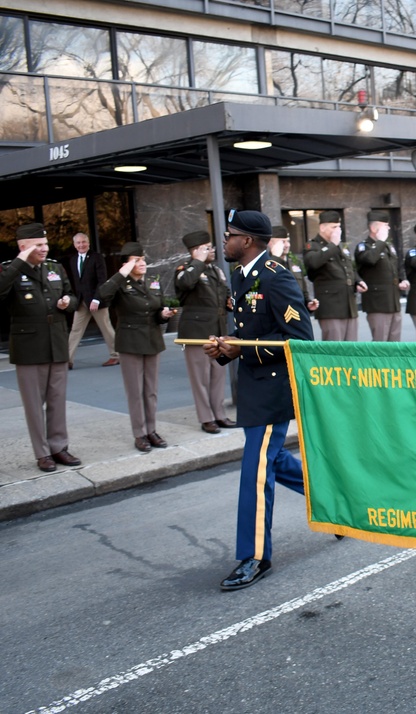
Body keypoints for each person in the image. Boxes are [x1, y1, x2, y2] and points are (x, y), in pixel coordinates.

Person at [203, 209, 314, 591]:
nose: (224, 239)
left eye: (229, 234)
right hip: (251, 386)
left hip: (273, 390)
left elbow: (300, 340)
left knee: (255, 471)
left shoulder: (276, 277)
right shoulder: (240, 276)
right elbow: (248, 331)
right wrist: (223, 347)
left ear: (247, 240)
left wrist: (242, 352)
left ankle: (254, 557)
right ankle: (333, 494)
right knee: (275, 460)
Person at [0, 223, 80, 472]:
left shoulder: (55, 268)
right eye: (38, 245)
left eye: (45, 244)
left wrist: (69, 302)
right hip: (29, 346)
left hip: (56, 342)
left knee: (57, 399)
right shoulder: (8, 270)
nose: (44, 249)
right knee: (34, 404)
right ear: (23, 247)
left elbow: (73, 296)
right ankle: (42, 453)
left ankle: (59, 447)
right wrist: (19, 262)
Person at [99, 241, 176, 452]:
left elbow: (157, 311)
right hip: (130, 342)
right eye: (136, 260)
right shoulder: (119, 285)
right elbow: (102, 296)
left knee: (151, 390)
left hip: (152, 340)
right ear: (125, 265)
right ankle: (139, 433)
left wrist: (164, 314)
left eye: (143, 259)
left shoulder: (153, 281)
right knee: (135, 391)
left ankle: (151, 430)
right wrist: (121, 274)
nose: (142, 263)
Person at [173, 230, 236, 434]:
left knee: (217, 374)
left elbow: (225, 294)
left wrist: (230, 302)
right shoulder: (185, 269)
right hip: (195, 333)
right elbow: (185, 284)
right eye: (207, 248)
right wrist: (197, 261)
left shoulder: (215, 271)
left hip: (217, 330)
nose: (212, 250)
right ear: (196, 250)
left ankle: (219, 414)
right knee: (200, 378)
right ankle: (206, 417)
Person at [304, 211, 366, 341]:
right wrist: (332, 245)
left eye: (339, 227)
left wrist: (358, 282)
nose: (338, 230)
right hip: (331, 307)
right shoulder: (313, 245)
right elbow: (313, 262)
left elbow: (348, 268)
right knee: (334, 348)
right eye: (334, 227)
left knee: (351, 348)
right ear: (322, 227)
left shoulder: (340, 245)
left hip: (348, 304)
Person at [65, 232, 118, 369]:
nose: (81, 245)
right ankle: (67, 360)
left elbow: (102, 280)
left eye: (84, 242)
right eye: (78, 242)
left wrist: (96, 299)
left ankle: (115, 356)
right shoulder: (72, 260)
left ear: (88, 243)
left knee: (106, 327)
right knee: (75, 330)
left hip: (96, 301)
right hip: (81, 301)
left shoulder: (97, 258)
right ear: (74, 245)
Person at [356, 211, 408, 341]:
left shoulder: (387, 246)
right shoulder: (364, 246)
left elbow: (396, 265)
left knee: (395, 344)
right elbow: (369, 259)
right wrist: (380, 242)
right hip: (378, 304)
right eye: (385, 225)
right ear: (374, 228)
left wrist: (402, 279)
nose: (389, 228)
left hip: (393, 302)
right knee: (380, 344)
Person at [269, 226, 318, 313]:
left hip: (297, 313)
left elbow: (303, 291)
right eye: (282, 242)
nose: (287, 245)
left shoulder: (295, 262)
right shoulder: (266, 263)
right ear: (270, 243)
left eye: (288, 241)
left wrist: (308, 303)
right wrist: (275, 257)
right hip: (278, 314)